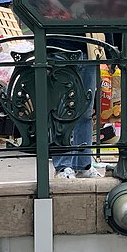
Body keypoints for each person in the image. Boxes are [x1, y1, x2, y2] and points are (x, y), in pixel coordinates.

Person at [48, 36, 101, 180]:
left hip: (89, 50)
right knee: (61, 110)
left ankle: (83, 165)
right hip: (61, 48)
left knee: (85, 112)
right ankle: (62, 166)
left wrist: (108, 47)